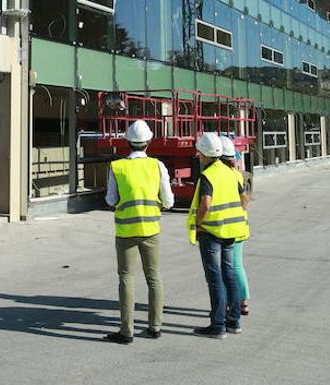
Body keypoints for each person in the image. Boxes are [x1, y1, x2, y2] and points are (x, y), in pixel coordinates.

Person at [104, 120, 175, 344]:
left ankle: (127, 331)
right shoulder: (157, 166)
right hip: (151, 230)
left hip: (126, 231)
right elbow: (169, 201)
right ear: (149, 142)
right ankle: (155, 327)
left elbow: (111, 199)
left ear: (127, 142)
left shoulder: (118, 167)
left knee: (126, 278)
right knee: (154, 277)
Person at [186, 132, 249, 339]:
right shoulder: (231, 173)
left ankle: (218, 325)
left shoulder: (208, 175)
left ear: (204, 155)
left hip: (212, 232)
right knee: (229, 274)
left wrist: (198, 222)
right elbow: (244, 199)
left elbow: (205, 204)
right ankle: (234, 321)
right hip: (231, 233)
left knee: (215, 278)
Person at [220, 136, 251, 316]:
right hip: (240, 226)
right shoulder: (238, 175)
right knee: (237, 266)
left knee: (226, 268)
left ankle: (229, 303)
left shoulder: (224, 176)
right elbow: (244, 201)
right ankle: (243, 301)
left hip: (229, 228)